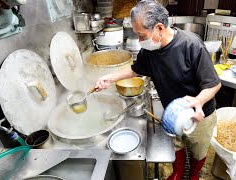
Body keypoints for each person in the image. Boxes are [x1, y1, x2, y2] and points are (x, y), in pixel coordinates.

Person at [95, 1, 221, 179]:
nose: (139, 41)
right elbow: (135, 69)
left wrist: (198, 101)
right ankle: (178, 172)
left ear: (159, 28)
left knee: (197, 150)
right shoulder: (150, 49)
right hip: (173, 112)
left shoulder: (191, 45)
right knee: (177, 143)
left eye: (141, 35)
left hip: (200, 114)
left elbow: (214, 84)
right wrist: (110, 78)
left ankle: (193, 175)